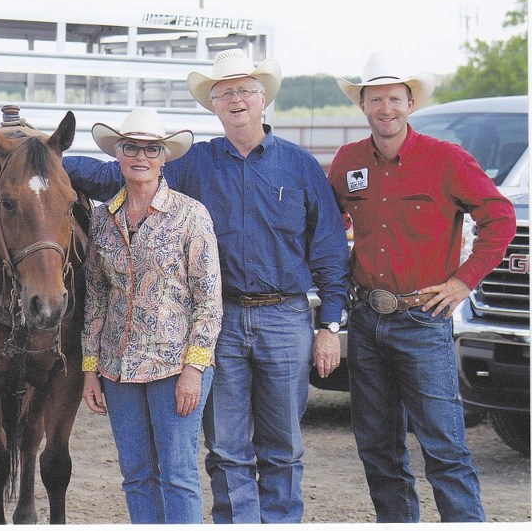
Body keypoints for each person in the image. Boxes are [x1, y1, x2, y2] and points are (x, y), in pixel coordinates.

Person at [65, 49, 350, 523]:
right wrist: (42, 150)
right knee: (226, 446)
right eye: (225, 94)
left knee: (283, 446)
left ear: (263, 100)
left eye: (244, 91)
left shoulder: (299, 166)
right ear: (212, 105)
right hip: (222, 320)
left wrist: (330, 324)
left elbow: (329, 249)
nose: (235, 100)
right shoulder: (194, 163)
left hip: (286, 317)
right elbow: (122, 174)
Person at [327, 52, 516, 523]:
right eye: (375, 99)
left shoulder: (446, 159)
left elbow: (501, 218)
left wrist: (462, 282)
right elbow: (330, 226)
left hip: (423, 320)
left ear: (410, 103)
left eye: (394, 98)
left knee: (444, 449)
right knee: (377, 448)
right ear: (363, 105)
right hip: (367, 320)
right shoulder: (349, 161)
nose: (385, 108)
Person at [80, 107, 222, 524]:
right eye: (131, 147)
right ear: (118, 154)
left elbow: (209, 299)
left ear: (164, 158)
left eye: (151, 149)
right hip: (117, 367)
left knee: (178, 474)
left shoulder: (190, 215)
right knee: (136, 474)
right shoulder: (102, 219)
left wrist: (195, 369)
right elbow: (96, 297)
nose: (140, 157)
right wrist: (91, 369)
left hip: (174, 366)